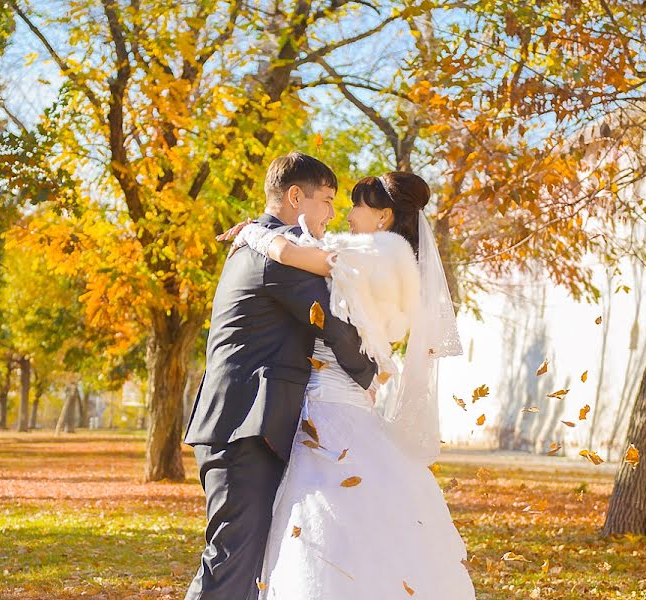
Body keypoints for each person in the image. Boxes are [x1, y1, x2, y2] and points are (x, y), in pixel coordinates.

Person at [232, 171, 475, 599]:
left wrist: (252, 232)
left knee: (325, 525)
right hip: (355, 402)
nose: (346, 213)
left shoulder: (375, 251)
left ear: (382, 217)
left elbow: (298, 253)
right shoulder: (404, 262)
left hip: (328, 403)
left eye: (357, 205)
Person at [183, 152, 377, 600]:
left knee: (251, 567)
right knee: (231, 562)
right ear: (295, 196)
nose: (332, 213)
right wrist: (371, 374)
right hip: (243, 427)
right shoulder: (280, 252)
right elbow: (330, 321)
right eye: (326, 200)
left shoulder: (263, 242)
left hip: (248, 425)